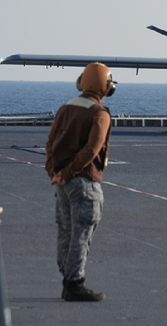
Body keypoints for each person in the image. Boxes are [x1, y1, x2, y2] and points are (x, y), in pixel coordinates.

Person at [45, 62, 116, 302]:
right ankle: (75, 284)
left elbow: (50, 142)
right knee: (82, 233)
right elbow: (92, 150)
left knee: (65, 231)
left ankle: (67, 279)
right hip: (84, 182)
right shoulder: (100, 113)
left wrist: (54, 172)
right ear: (104, 86)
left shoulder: (66, 108)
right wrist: (68, 173)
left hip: (62, 184)